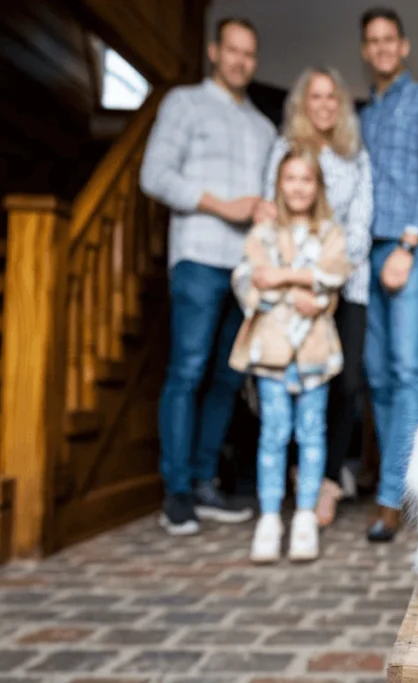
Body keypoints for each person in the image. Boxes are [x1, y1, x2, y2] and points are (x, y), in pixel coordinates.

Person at [139, 17, 276, 536]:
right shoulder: (184, 104)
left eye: (250, 54)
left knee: (226, 378)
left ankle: (203, 482)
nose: (240, 61)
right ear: (215, 52)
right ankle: (175, 492)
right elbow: (154, 175)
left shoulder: (263, 128)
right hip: (197, 259)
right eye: (233, 51)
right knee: (187, 371)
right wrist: (225, 205)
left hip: (246, 270)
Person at [255, 66, 373, 529]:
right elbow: (274, 213)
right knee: (292, 382)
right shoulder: (286, 150)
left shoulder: (356, 155)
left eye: (332, 98)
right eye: (315, 97)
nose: (324, 105)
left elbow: (361, 224)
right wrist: (301, 281)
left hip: (349, 282)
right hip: (292, 286)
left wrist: (330, 281)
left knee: (344, 383)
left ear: (341, 106)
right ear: (302, 104)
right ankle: (292, 476)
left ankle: (325, 479)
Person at [229, 145, 353, 563]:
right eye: (291, 179)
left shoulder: (331, 232)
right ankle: (269, 517)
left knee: (312, 432)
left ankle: (303, 515)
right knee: (274, 433)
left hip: (315, 350)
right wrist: (302, 288)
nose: (298, 187)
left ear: (317, 187)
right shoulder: (263, 232)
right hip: (272, 346)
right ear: (279, 185)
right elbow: (249, 276)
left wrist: (293, 282)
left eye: (307, 179)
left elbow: (334, 274)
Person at [358, 7, 418, 542]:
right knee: (374, 372)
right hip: (362, 253)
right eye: (372, 41)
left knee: (407, 370)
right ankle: (398, 478)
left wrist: (409, 243)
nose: (382, 48)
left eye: (389, 39)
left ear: (404, 46)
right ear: (366, 50)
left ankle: (394, 497)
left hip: (406, 247)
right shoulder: (364, 116)